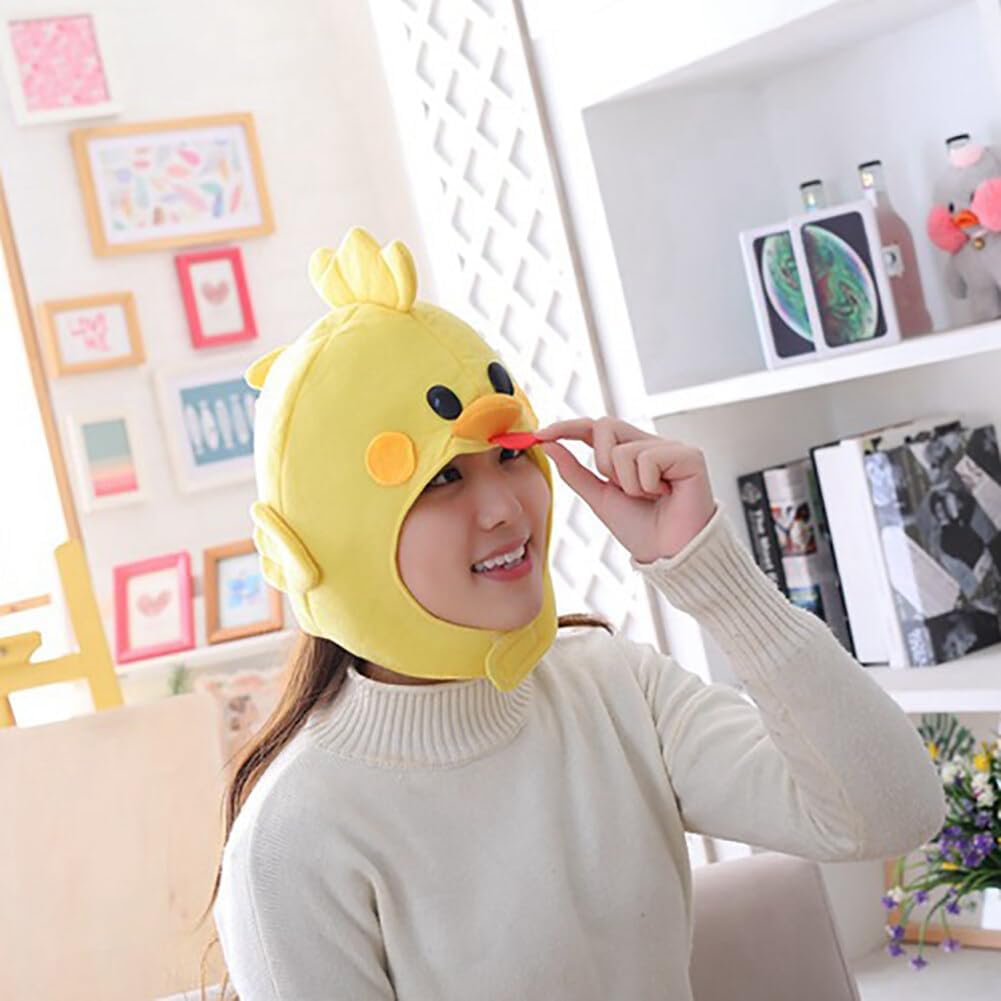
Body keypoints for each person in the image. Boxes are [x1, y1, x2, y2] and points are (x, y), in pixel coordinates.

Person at [202, 227, 946, 1001]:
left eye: (509, 453)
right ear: (332, 536)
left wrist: (708, 573)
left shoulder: (611, 685)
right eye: (444, 477)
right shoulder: (292, 839)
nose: (504, 507)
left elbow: (889, 811)